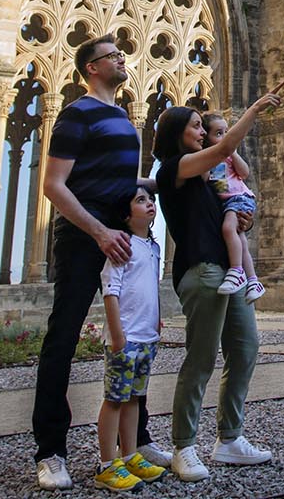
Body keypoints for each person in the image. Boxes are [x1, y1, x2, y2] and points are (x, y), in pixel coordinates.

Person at [32, 35, 169, 491]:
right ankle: (51, 452)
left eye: (120, 55)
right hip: (83, 238)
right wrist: (99, 231)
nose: (121, 59)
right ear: (91, 68)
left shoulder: (124, 121)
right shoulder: (76, 114)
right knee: (63, 339)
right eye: (112, 56)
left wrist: (180, 181)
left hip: (121, 241)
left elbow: (122, 180)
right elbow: (54, 184)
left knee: (134, 340)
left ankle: (136, 442)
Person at [152, 90, 282, 482]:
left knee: (245, 348)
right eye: (194, 125)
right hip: (203, 271)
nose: (201, 130)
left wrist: (244, 221)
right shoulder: (174, 168)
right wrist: (255, 109)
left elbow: (230, 207)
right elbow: (226, 144)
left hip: (231, 272)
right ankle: (184, 445)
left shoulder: (206, 177)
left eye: (201, 125)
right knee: (201, 358)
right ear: (177, 132)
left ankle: (229, 439)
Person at [94, 185, 168, 492]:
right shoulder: (121, 245)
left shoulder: (153, 247)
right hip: (126, 338)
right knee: (114, 399)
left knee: (135, 398)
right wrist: (117, 336)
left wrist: (157, 321)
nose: (150, 204)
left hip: (147, 336)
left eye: (150, 199)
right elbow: (110, 290)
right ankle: (107, 465)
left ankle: (130, 454)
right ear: (126, 215)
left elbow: (152, 289)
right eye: (141, 200)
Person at [203, 113, 264, 300]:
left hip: (239, 197)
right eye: (219, 133)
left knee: (229, 228)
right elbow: (219, 185)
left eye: (226, 133)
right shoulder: (210, 159)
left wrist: (233, 152)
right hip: (230, 199)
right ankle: (253, 280)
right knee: (240, 239)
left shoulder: (228, 158)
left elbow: (244, 173)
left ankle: (237, 271)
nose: (225, 137)